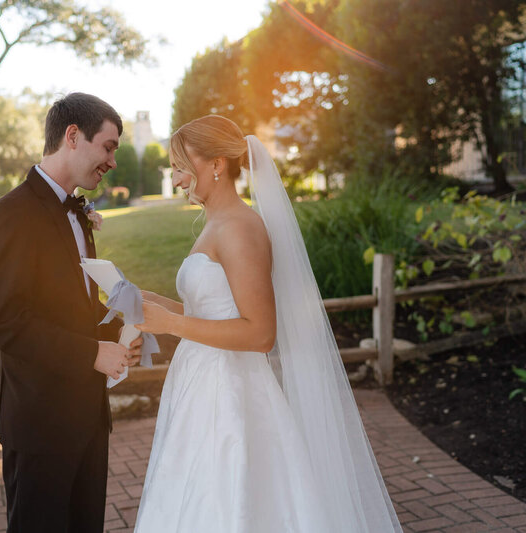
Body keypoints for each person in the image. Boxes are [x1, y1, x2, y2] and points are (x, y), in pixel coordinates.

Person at [133, 115, 402, 532]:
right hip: (200, 385)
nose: (176, 176)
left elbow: (260, 333)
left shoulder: (240, 227)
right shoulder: (216, 223)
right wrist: (147, 302)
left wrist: (170, 324)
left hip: (231, 395)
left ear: (217, 164)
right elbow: (214, 312)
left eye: (181, 164)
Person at [0, 92, 143, 533]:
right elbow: (0, 320)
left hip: (89, 417)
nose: (111, 161)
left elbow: (75, 303)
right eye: (107, 147)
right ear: (73, 136)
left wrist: (118, 333)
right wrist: (92, 354)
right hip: (40, 427)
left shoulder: (80, 214)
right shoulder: (11, 214)